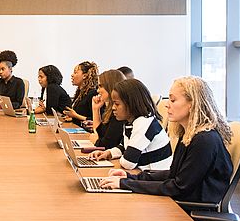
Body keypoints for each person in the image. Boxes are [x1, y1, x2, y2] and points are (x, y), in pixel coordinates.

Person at [99, 76, 232, 205]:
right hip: (180, 203)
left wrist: (126, 184)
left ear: (192, 104)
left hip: (191, 214)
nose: (167, 104)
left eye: (173, 100)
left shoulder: (204, 141)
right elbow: (174, 174)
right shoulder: (190, 134)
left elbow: (179, 187)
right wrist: (130, 177)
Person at [90, 78, 172, 172]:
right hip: (144, 174)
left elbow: (128, 163)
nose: (113, 108)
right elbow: (123, 146)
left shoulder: (143, 123)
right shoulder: (131, 122)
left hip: (156, 177)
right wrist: (108, 153)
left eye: (117, 104)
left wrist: (123, 157)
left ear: (131, 104)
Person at [90, 69, 126, 150]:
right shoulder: (109, 108)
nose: (98, 90)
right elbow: (99, 133)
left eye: (100, 86)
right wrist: (95, 109)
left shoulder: (120, 111)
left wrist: (96, 140)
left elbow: (107, 145)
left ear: (110, 86)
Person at [63, 60, 99, 129]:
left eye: (75, 72)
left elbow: (95, 119)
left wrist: (75, 116)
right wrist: (72, 118)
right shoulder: (80, 92)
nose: (72, 75)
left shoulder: (92, 93)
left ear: (84, 76)